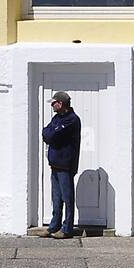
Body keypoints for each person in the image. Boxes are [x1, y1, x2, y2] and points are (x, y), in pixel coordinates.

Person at [40, 91, 81, 239]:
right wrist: (50, 134)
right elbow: (45, 132)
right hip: (55, 164)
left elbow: (52, 135)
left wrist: (51, 134)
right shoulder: (57, 118)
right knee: (56, 198)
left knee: (67, 197)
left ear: (61, 103)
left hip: (65, 165)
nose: (52, 105)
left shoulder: (72, 120)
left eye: (53, 103)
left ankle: (67, 228)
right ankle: (54, 226)